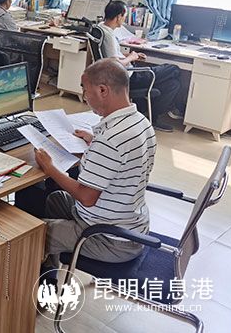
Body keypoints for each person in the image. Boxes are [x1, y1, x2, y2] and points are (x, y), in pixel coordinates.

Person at [37, 58, 156, 277]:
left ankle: (37, 275)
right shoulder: (140, 122)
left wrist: (50, 168)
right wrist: (93, 142)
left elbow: (87, 197)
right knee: (56, 199)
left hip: (109, 238)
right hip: (130, 224)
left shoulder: (110, 140)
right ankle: (50, 271)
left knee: (32, 233)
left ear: (102, 90)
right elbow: (120, 161)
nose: (84, 96)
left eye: (85, 90)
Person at [98, 0, 183, 132]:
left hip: (124, 74)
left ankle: (151, 118)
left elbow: (111, 56)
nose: (124, 19)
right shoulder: (109, 36)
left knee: (173, 84)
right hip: (128, 77)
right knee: (174, 69)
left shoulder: (101, 28)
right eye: (124, 16)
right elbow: (114, 63)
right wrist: (131, 57)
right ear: (119, 16)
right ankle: (161, 113)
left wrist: (132, 55)